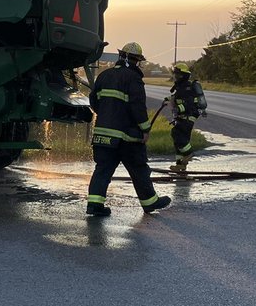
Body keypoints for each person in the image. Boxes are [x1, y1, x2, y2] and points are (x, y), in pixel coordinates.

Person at [85, 42, 171, 218]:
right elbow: (138, 107)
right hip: (127, 137)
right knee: (139, 168)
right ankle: (150, 202)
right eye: (138, 60)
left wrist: (107, 116)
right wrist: (145, 129)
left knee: (102, 169)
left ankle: (94, 204)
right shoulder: (133, 79)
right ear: (134, 60)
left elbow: (94, 100)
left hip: (103, 135)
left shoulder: (104, 75)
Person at [166, 62, 207, 174]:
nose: (176, 76)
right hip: (183, 117)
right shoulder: (182, 87)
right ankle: (180, 165)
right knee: (178, 140)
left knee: (177, 134)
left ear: (183, 75)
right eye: (175, 74)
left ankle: (189, 154)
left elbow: (188, 104)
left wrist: (177, 109)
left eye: (178, 74)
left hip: (188, 117)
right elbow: (178, 97)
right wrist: (169, 99)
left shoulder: (187, 87)